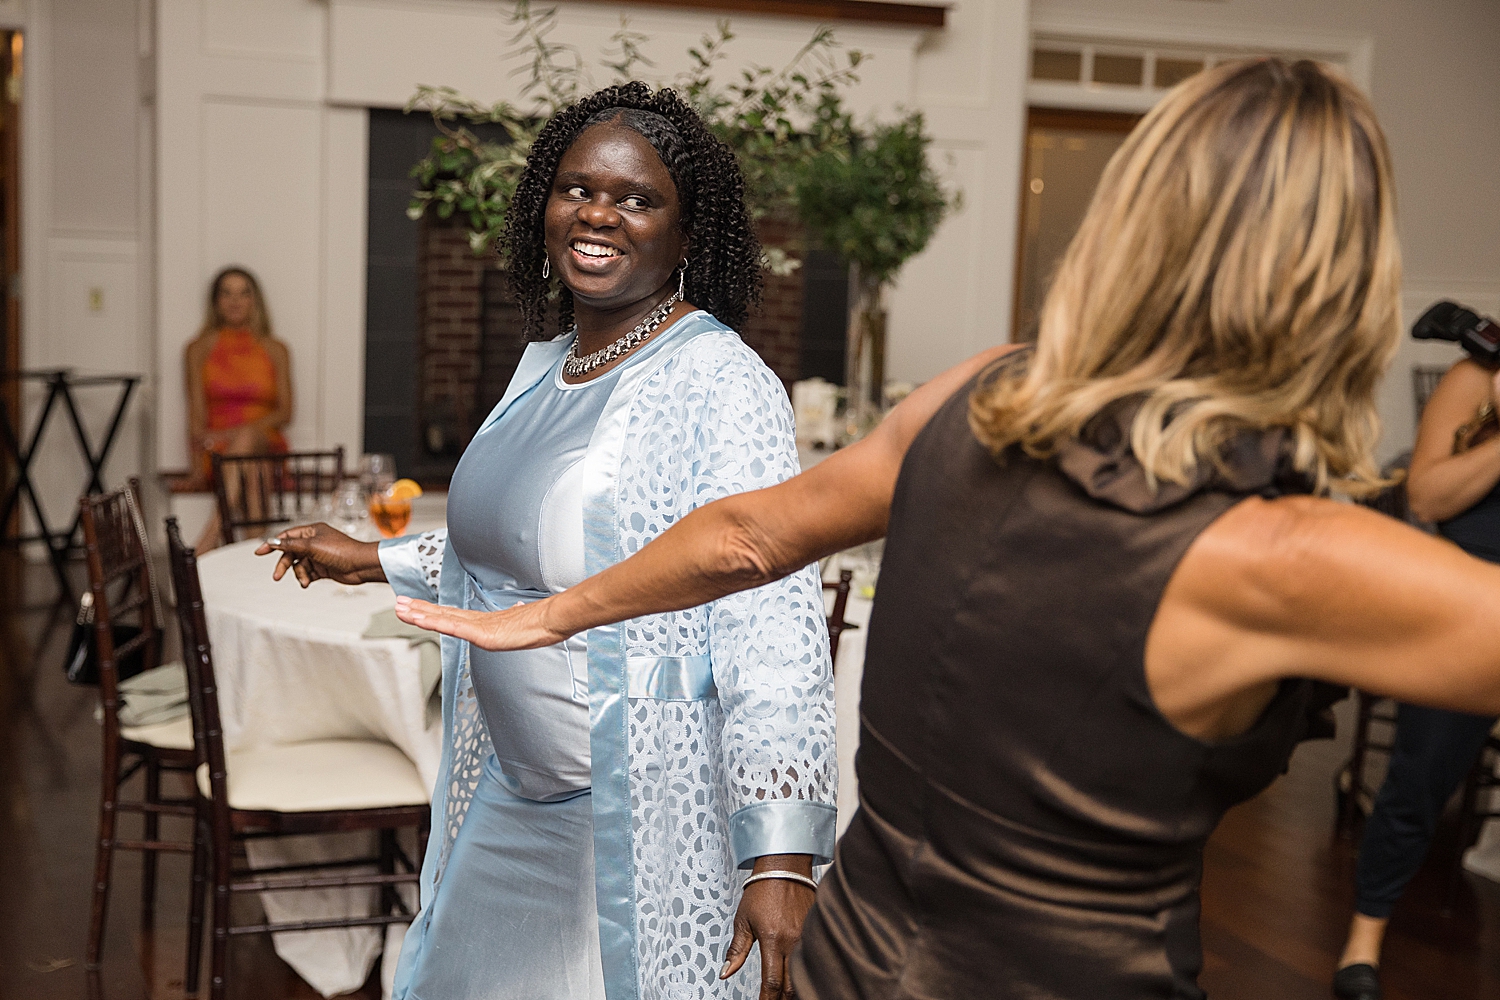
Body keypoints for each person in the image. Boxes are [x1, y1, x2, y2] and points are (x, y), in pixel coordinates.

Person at [392, 59, 1500, 1000]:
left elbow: (748, 540)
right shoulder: (1283, 557)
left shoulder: (974, 398)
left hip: (860, 960)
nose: (599, 215)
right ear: (1341, 285)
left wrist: (560, 613)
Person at [258, 82, 837, 1000]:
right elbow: (512, 556)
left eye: (639, 198)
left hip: (633, 816)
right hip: (510, 794)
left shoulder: (719, 382)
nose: (599, 213)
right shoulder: (544, 365)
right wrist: (370, 559)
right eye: (579, 188)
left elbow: (771, 619)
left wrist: (779, 852)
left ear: (689, 236)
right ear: (545, 206)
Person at [1330, 356, 1500, 1000]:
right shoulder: (1478, 376)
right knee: (1421, 774)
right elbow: (1426, 496)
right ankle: (1363, 940)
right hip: (1469, 608)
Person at [184, 266, 291, 487]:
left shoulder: (276, 349)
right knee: (255, 467)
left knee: (248, 439)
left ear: (255, 300)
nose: (235, 301)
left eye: (244, 293)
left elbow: (285, 412)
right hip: (217, 449)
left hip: (265, 442)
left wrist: (236, 434)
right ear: (216, 301)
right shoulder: (198, 348)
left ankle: (216, 523)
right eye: (227, 293)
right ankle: (250, 524)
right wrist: (196, 471)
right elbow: (195, 413)